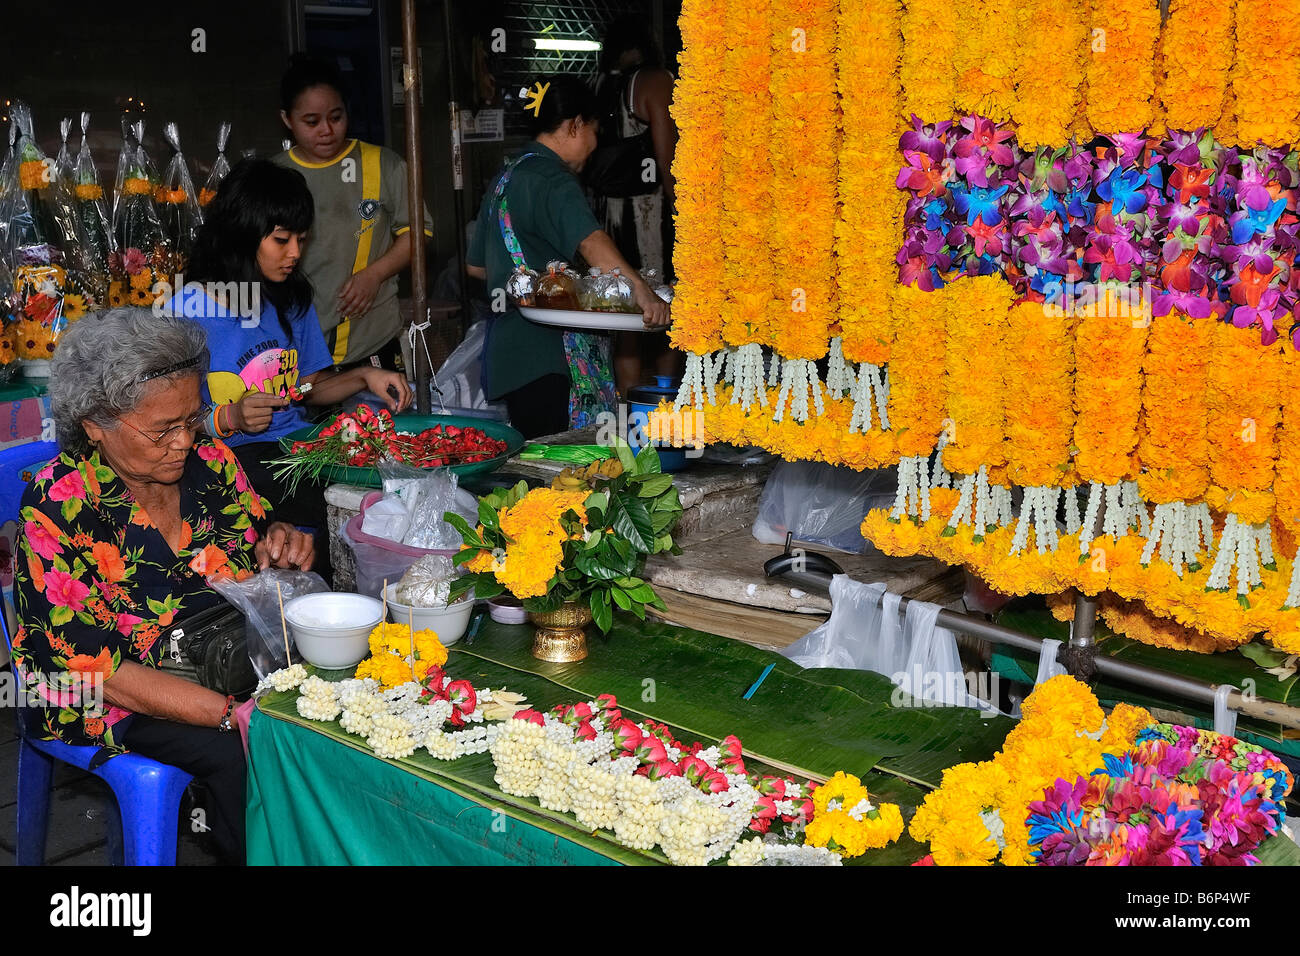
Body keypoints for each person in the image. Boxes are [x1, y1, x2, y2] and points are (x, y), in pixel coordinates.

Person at [12, 308, 316, 864]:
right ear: (96, 425)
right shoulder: (58, 507)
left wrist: (279, 544)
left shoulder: (213, 461)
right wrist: (229, 714)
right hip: (103, 694)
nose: (183, 442)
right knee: (239, 754)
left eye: (191, 418)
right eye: (161, 430)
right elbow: (99, 674)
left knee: (322, 717)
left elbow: (253, 555)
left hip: (218, 657)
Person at [181, 158, 413, 585]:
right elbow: (167, 426)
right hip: (233, 461)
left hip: (299, 450)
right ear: (242, 234)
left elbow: (307, 388)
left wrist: (364, 377)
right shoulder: (188, 312)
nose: (294, 255)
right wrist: (229, 417)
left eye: (301, 241)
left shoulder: (290, 300)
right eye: (281, 240)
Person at [466, 74, 670, 439]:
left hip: (509, 356)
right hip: (552, 359)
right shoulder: (553, 179)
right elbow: (592, 244)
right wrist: (643, 292)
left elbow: (477, 267)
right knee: (568, 474)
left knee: (537, 471)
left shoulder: (506, 178)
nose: (594, 147)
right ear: (575, 125)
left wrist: (535, 278)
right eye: (593, 132)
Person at [273, 53, 433, 369]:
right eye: (311, 122)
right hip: (296, 344)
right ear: (287, 120)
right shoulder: (273, 175)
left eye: (336, 117)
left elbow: (418, 232)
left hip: (372, 337)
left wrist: (374, 275)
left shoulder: (383, 164)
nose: (326, 130)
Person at [592, 17, 681, 396]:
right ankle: (663, 403)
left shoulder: (598, 86)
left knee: (625, 313)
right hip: (649, 217)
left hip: (607, 217)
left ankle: (628, 408)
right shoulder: (654, 81)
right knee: (664, 309)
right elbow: (669, 158)